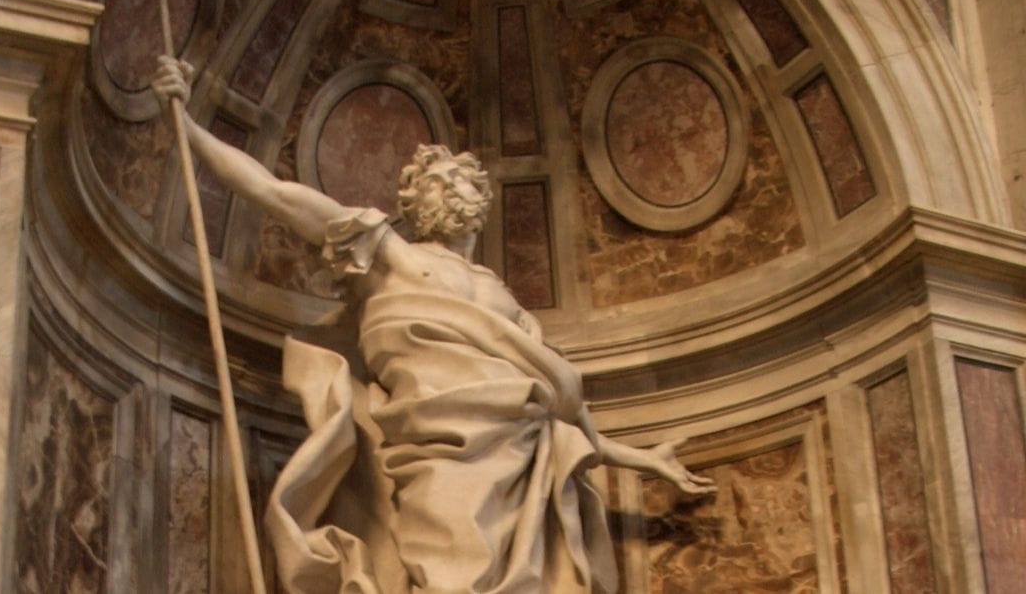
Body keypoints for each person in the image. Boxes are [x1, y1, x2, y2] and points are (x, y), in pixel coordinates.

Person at [153, 57, 715, 593]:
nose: (446, 189)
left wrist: (638, 458)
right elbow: (275, 194)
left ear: (481, 200)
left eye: (458, 180)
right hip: (437, 453)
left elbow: (562, 400)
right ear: (413, 202)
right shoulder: (392, 256)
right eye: (433, 182)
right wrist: (188, 126)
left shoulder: (506, 303)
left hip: (516, 456)